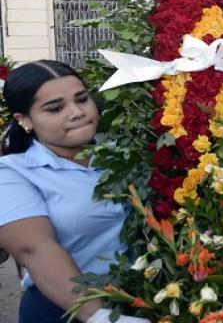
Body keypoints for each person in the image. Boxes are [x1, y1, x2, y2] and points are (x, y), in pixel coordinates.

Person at [0, 60, 149, 323]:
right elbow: (36, 249)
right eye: (56, 108)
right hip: (67, 309)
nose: (77, 112)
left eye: (81, 99)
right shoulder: (13, 174)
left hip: (144, 300)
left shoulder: (122, 153)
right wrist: (98, 316)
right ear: (24, 120)